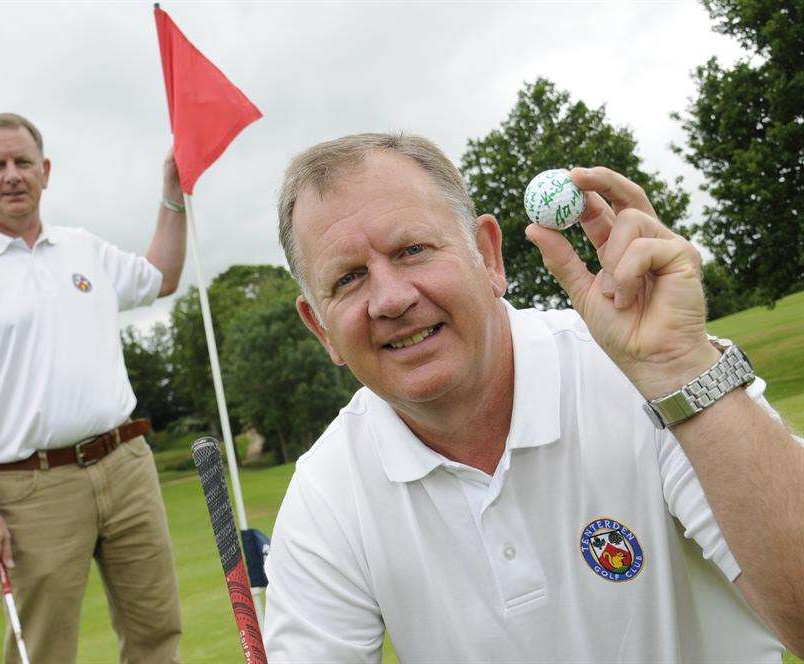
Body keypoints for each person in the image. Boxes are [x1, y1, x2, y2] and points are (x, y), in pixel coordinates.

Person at [263, 133, 804, 662]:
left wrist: (679, 368)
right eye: (349, 278)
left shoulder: (637, 376)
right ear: (321, 329)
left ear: (487, 255)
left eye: (412, 251)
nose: (390, 298)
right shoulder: (326, 493)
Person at [0, 113, 186, 664]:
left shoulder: (82, 248)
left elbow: (163, 276)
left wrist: (174, 196)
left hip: (126, 464)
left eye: (23, 162)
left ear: (46, 171)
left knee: (157, 634)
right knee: (43, 651)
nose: (12, 175)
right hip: (30, 490)